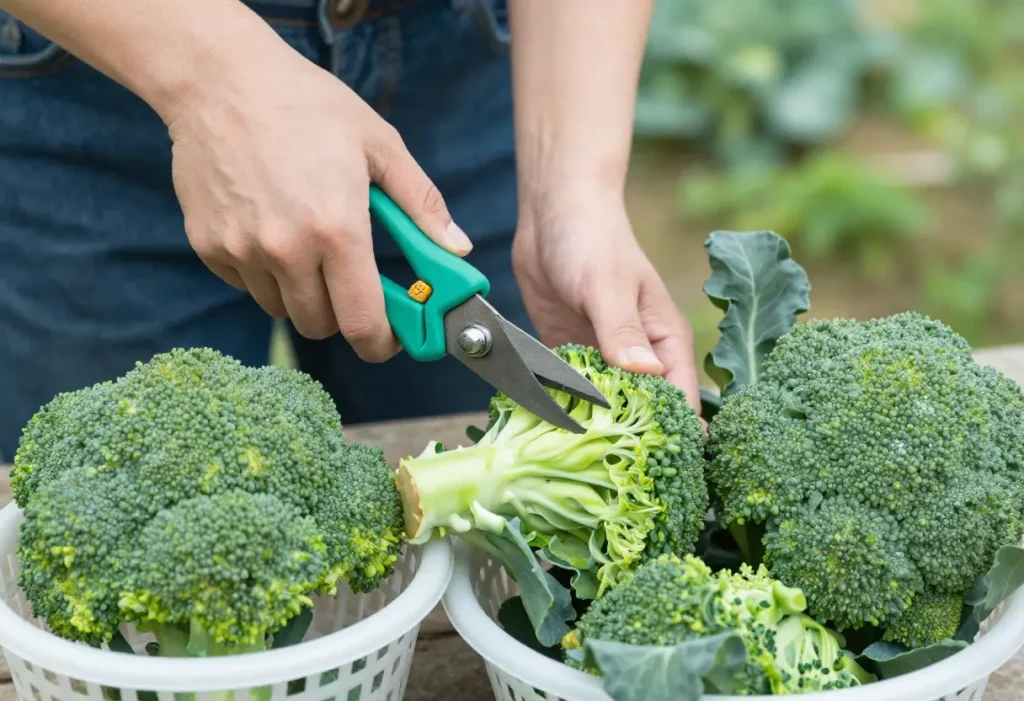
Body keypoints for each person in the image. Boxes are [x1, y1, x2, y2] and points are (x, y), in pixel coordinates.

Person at [0, 0, 700, 461]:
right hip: (96, 67)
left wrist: (569, 184)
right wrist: (212, 79)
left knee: (486, 514)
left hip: (472, 64)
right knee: (112, 486)